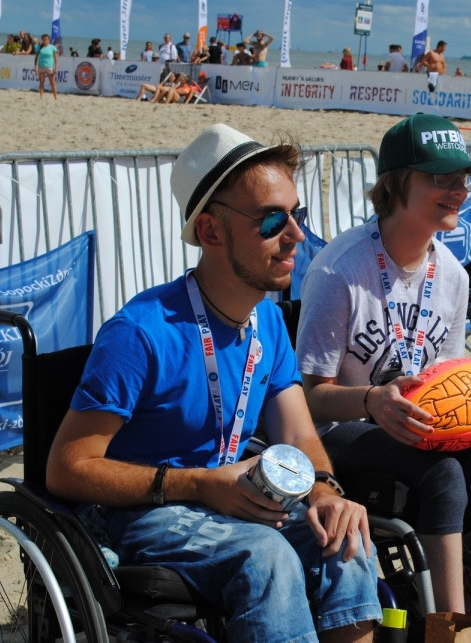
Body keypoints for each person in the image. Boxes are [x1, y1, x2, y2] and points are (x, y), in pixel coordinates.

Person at [44, 123, 381, 642]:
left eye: (299, 214)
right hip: (140, 514)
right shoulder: (140, 332)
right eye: (273, 220)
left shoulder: (266, 321)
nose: (296, 235)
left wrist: (324, 490)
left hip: (233, 498)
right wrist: (201, 484)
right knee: (266, 558)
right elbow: (67, 469)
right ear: (211, 232)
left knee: (346, 538)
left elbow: (297, 436)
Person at [296, 113, 471, 620]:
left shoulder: (451, 274)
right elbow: (307, 398)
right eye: (440, 178)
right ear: (396, 182)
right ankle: (451, 626)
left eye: (462, 179)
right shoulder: (339, 272)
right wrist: (373, 401)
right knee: (444, 474)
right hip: (342, 428)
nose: (458, 191)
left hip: (417, 424)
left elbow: (448, 377)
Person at [33, 33, 58, 100]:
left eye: (46, 39)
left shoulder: (52, 47)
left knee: (52, 82)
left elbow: (56, 58)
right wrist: (35, 67)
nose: (45, 40)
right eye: (43, 39)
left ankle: (55, 97)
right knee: (41, 82)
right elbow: (36, 58)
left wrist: (56, 67)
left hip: (49, 66)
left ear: (49, 40)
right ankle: (41, 97)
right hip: (41, 66)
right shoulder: (39, 47)